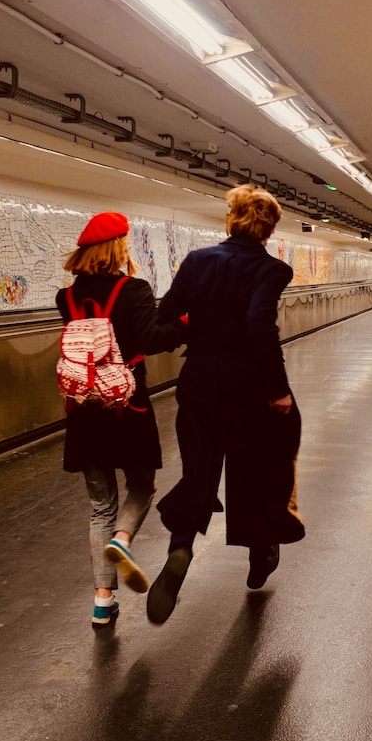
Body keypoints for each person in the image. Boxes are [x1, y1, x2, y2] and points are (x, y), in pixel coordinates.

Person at [149, 184, 305, 624]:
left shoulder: (198, 261)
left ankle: (181, 546)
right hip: (249, 391)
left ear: (231, 219)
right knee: (259, 468)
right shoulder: (273, 270)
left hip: (199, 384)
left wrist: (199, 329)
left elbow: (167, 315)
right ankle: (262, 550)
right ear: (269, 227)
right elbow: (260, 325)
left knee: (199, 469)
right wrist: (277, 388)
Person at [56, 212, 186, 627]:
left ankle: (102, 599)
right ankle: (123, 539)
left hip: (83, 410)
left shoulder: (67, 298)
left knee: (99, 505)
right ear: (116, 248)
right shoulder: (134, 290)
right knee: (142, 486)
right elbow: (153, 339)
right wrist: (185, 323)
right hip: (127, 408)